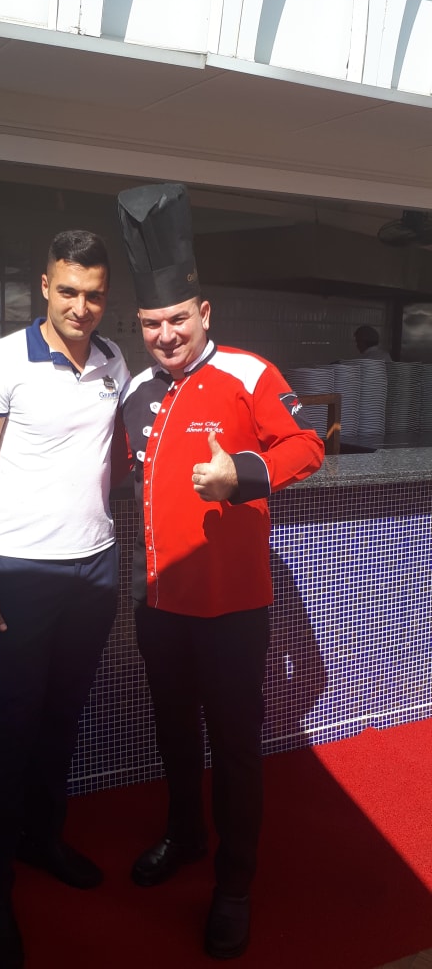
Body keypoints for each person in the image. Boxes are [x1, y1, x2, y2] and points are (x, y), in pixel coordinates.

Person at [117, 183, 325, 961]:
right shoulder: (135, 390)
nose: (165, 334)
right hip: (159, 603)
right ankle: (185, 836)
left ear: (204, 313)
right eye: (151, 323)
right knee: (173, 732)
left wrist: (241, 474)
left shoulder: (247, 372)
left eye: (177, 318)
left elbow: (306, 445)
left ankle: (234, 885)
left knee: (235, 747)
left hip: (234, 609)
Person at [0, 229, 131, 969]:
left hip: (96, 568)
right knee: (11, 731)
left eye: (94, 295)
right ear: (45, 286)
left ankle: (43, 840)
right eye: (68, 291)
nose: (81, 306)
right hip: (23, 574)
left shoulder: (114, 361)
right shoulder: (2, 360)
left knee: (63, 719)